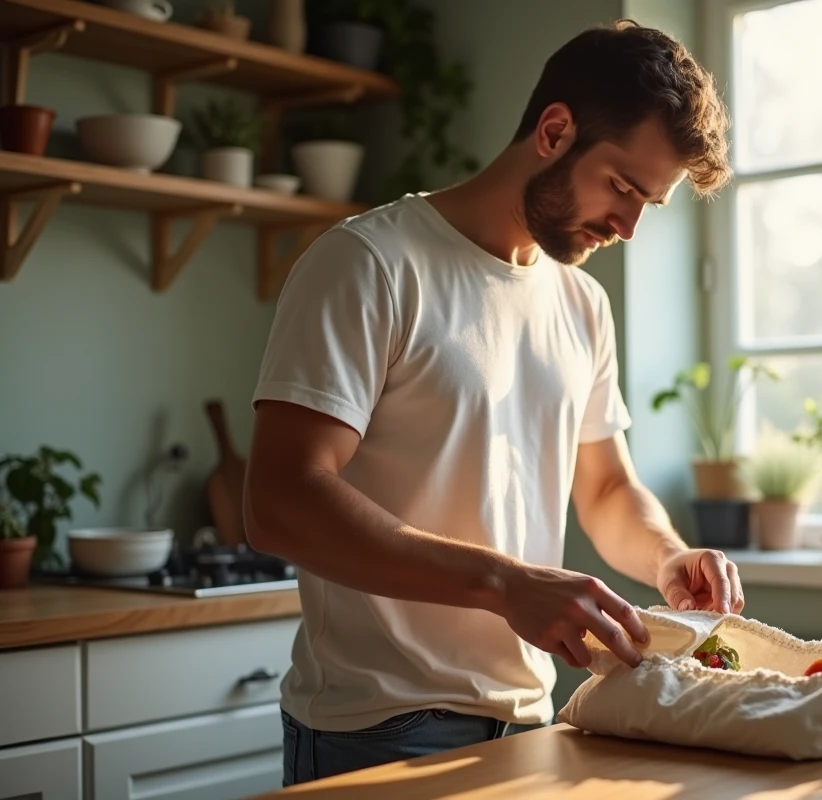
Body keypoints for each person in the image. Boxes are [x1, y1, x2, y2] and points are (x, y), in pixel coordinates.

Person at [243, 18, 742, 787]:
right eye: (620, 186)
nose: (629, 226)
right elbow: (280, 499)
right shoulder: (370, 264)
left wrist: (669, 556)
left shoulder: (580, 304)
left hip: (533, 723)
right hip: (376, 730)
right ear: (553, 130)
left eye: (650, 203)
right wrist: (505, 583)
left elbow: (606, 488)